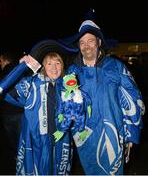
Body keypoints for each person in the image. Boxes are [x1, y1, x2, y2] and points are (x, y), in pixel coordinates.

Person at [65, 19, 145, 175]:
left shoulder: (116, 66)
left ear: (99, 42)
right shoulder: (72, 71)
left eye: (90, 41)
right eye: (82, 42)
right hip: (85, 136)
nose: (86, 46)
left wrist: (131, 134)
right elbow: (63, 101)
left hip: (113, 133)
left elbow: (134, 98)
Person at [0, 40, 77, 175]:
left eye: (57, 63)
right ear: (43, 67)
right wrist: (21, 67)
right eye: (49, 63)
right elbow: (6, 90)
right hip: (37, 143)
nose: (54, 67)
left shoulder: (67, 86)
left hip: (60, 141)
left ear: (62, 65)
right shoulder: (32, 84)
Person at [0, 52, 24, 174]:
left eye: (0, 60)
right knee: (22, 142)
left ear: (4, 60)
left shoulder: (4, 73)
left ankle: (17, 166)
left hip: (8, 115)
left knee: (13, 143)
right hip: (20, 113)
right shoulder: (19, 71)